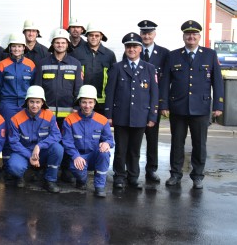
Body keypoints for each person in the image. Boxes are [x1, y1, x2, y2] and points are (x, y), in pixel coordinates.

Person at [161, 20, 223, 189]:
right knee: (177, 143)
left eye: (194, 34)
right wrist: (164, 104)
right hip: (178, 107)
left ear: (199, 36)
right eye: (188, 34)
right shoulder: (173, 55)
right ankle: (175, 174)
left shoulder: (210, 55)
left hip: (201, 108)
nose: (191, 37)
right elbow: (166, 82)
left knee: (199, 144)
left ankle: (197, 176)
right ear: (183, 36)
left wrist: (218, 105)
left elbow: (217, 82)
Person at [105, 32, 158, 190]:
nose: (132, 49)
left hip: (140, 116)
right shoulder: (117, 68)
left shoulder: (149, 68)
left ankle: (133, 176)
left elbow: (154, 94)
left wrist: (152, 115)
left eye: (135, 46)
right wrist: (108, 115)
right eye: (129, 46)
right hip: (121, 115)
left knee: (135, 150)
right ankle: (119, 176)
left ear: (140, 48)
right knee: (121, 149)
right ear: (125, 48)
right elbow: (110, 93)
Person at [33, 28, 83, 183]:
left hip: (68, 113)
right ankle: (42, 168)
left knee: (68, 142)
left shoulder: (75, 64)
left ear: (67, 44)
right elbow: (37, 88)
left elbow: (78, 89)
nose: (60, 45)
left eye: (63, 42)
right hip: (47, 114)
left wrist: (76, 108)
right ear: (53, 44)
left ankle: (66, 170)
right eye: (57, 42)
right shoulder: (42, 63)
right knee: (46, 141)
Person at [6, 86, 64, 193]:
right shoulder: (16, 118)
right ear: (27, 102)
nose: (34, 105)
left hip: (42, 152)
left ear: (43, 103)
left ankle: (50, 180)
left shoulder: (49, 115)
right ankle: (20, 176)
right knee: (14, 166)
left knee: (58, 149)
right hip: (24, 153)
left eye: (38, 102)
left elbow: (57, 135)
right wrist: (30, 155)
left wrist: (39, 146)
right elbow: (14, 142)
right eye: (31, 102)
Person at [62, 85, 114, 198]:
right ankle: (81, 180)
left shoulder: (102, 120)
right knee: (80, 174)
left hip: (94, 155)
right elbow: (67, 142)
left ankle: (99, 186)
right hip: (78, 157)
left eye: (90, 102)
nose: (87, 106)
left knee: (105, 153)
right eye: (84, 102)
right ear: (79, 102)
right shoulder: (69, 120)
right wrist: (75, 156)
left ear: (95, 103)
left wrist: (106, 143)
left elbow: (110, 139)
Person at [0, 33, 35, 168]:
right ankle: (7, 166)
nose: (16, 49)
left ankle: (23, 165)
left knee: (25, 134)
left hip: (25, 105)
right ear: (9, 48)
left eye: (19, 46)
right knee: (7, 134)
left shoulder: (31, 65)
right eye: (14, 46)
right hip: (7, 104)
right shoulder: (1, 65)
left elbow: (34, 87)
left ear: (24, 48)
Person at [138, 19, 169, 183]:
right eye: (143, 33)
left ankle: (151, 170)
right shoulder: (133, 50)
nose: (146, 36)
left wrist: (163, 104)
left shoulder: (164, 54)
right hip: (136, 104)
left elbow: (165, 82)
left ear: (154, 34)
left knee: (152, 140)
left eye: (149, 33)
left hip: (153, 104)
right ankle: (132, 169)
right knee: (134, 140)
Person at [72, 22, 116, 114]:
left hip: (102, 102)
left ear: (101, 37)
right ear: (87, 36)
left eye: (97, 35)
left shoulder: (109, 55)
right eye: (91, 35)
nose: (94, 38)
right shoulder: (76, 53)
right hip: (83, 102)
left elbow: (113, 80)